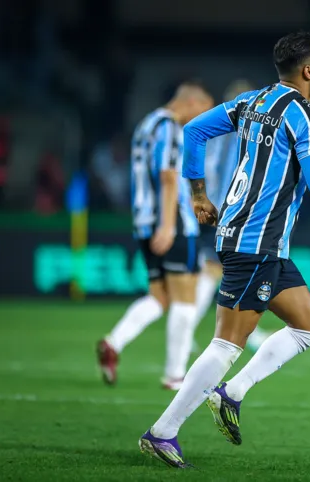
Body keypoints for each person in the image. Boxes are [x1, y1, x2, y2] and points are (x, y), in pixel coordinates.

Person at [138, 31, 310, 468]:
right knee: (226, 345)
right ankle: (162, 432)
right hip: (256, 243)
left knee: (308, 325)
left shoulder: (253, 101)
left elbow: (194, 131)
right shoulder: (306, 114)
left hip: (250, 237)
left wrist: (197, 194)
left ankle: (233, 392)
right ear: (307, 71)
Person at [96, 81, 214, 390]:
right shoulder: (171, 128)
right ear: (190, 102)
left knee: (160, 297)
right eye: (202, 112)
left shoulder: (145, 125)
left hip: (143, 221)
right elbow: (167, 176)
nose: (201, 121)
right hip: (170, 221)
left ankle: (114, 342)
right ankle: (175, 374)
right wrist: (169, 224)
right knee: (186, 298)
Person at [193, 79, 270, 354]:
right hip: (234, 210)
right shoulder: (246, 132)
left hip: (217, 208)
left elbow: (205, 166)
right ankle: (187, 324)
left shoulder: (216, 130)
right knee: (217, 270)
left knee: (235, 269)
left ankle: (247, 328)